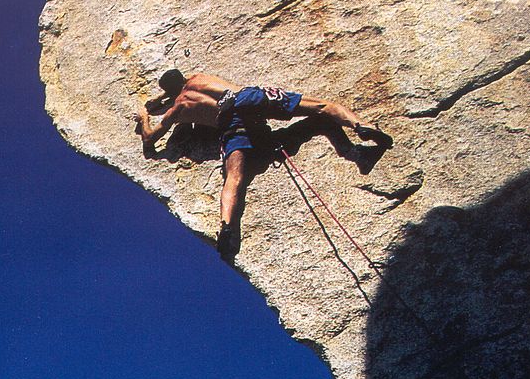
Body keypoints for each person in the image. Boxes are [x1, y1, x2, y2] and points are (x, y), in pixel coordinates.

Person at [136, 69, 393, 259]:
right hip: (247, 98)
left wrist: (145, 115)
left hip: (229, 123)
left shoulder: (178, 110)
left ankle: (228, 226)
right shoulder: (197, 77)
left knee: (234, 178)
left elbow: (150, 140)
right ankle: (361, 126)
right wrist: (161, 97)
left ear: (171, 94)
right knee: (324, 108)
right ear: (181, 79)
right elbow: (177, 85)